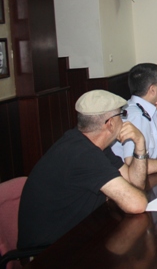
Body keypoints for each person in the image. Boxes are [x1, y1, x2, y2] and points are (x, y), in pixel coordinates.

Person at [18, 90, 149, 248]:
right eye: (122, 115)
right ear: (110, 123)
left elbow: (135, 182)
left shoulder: (90, 144)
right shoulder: (83, 154)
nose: (124, 120)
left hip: (76, 236)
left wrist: (140, 144)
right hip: (48, 252)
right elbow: (137, 204)